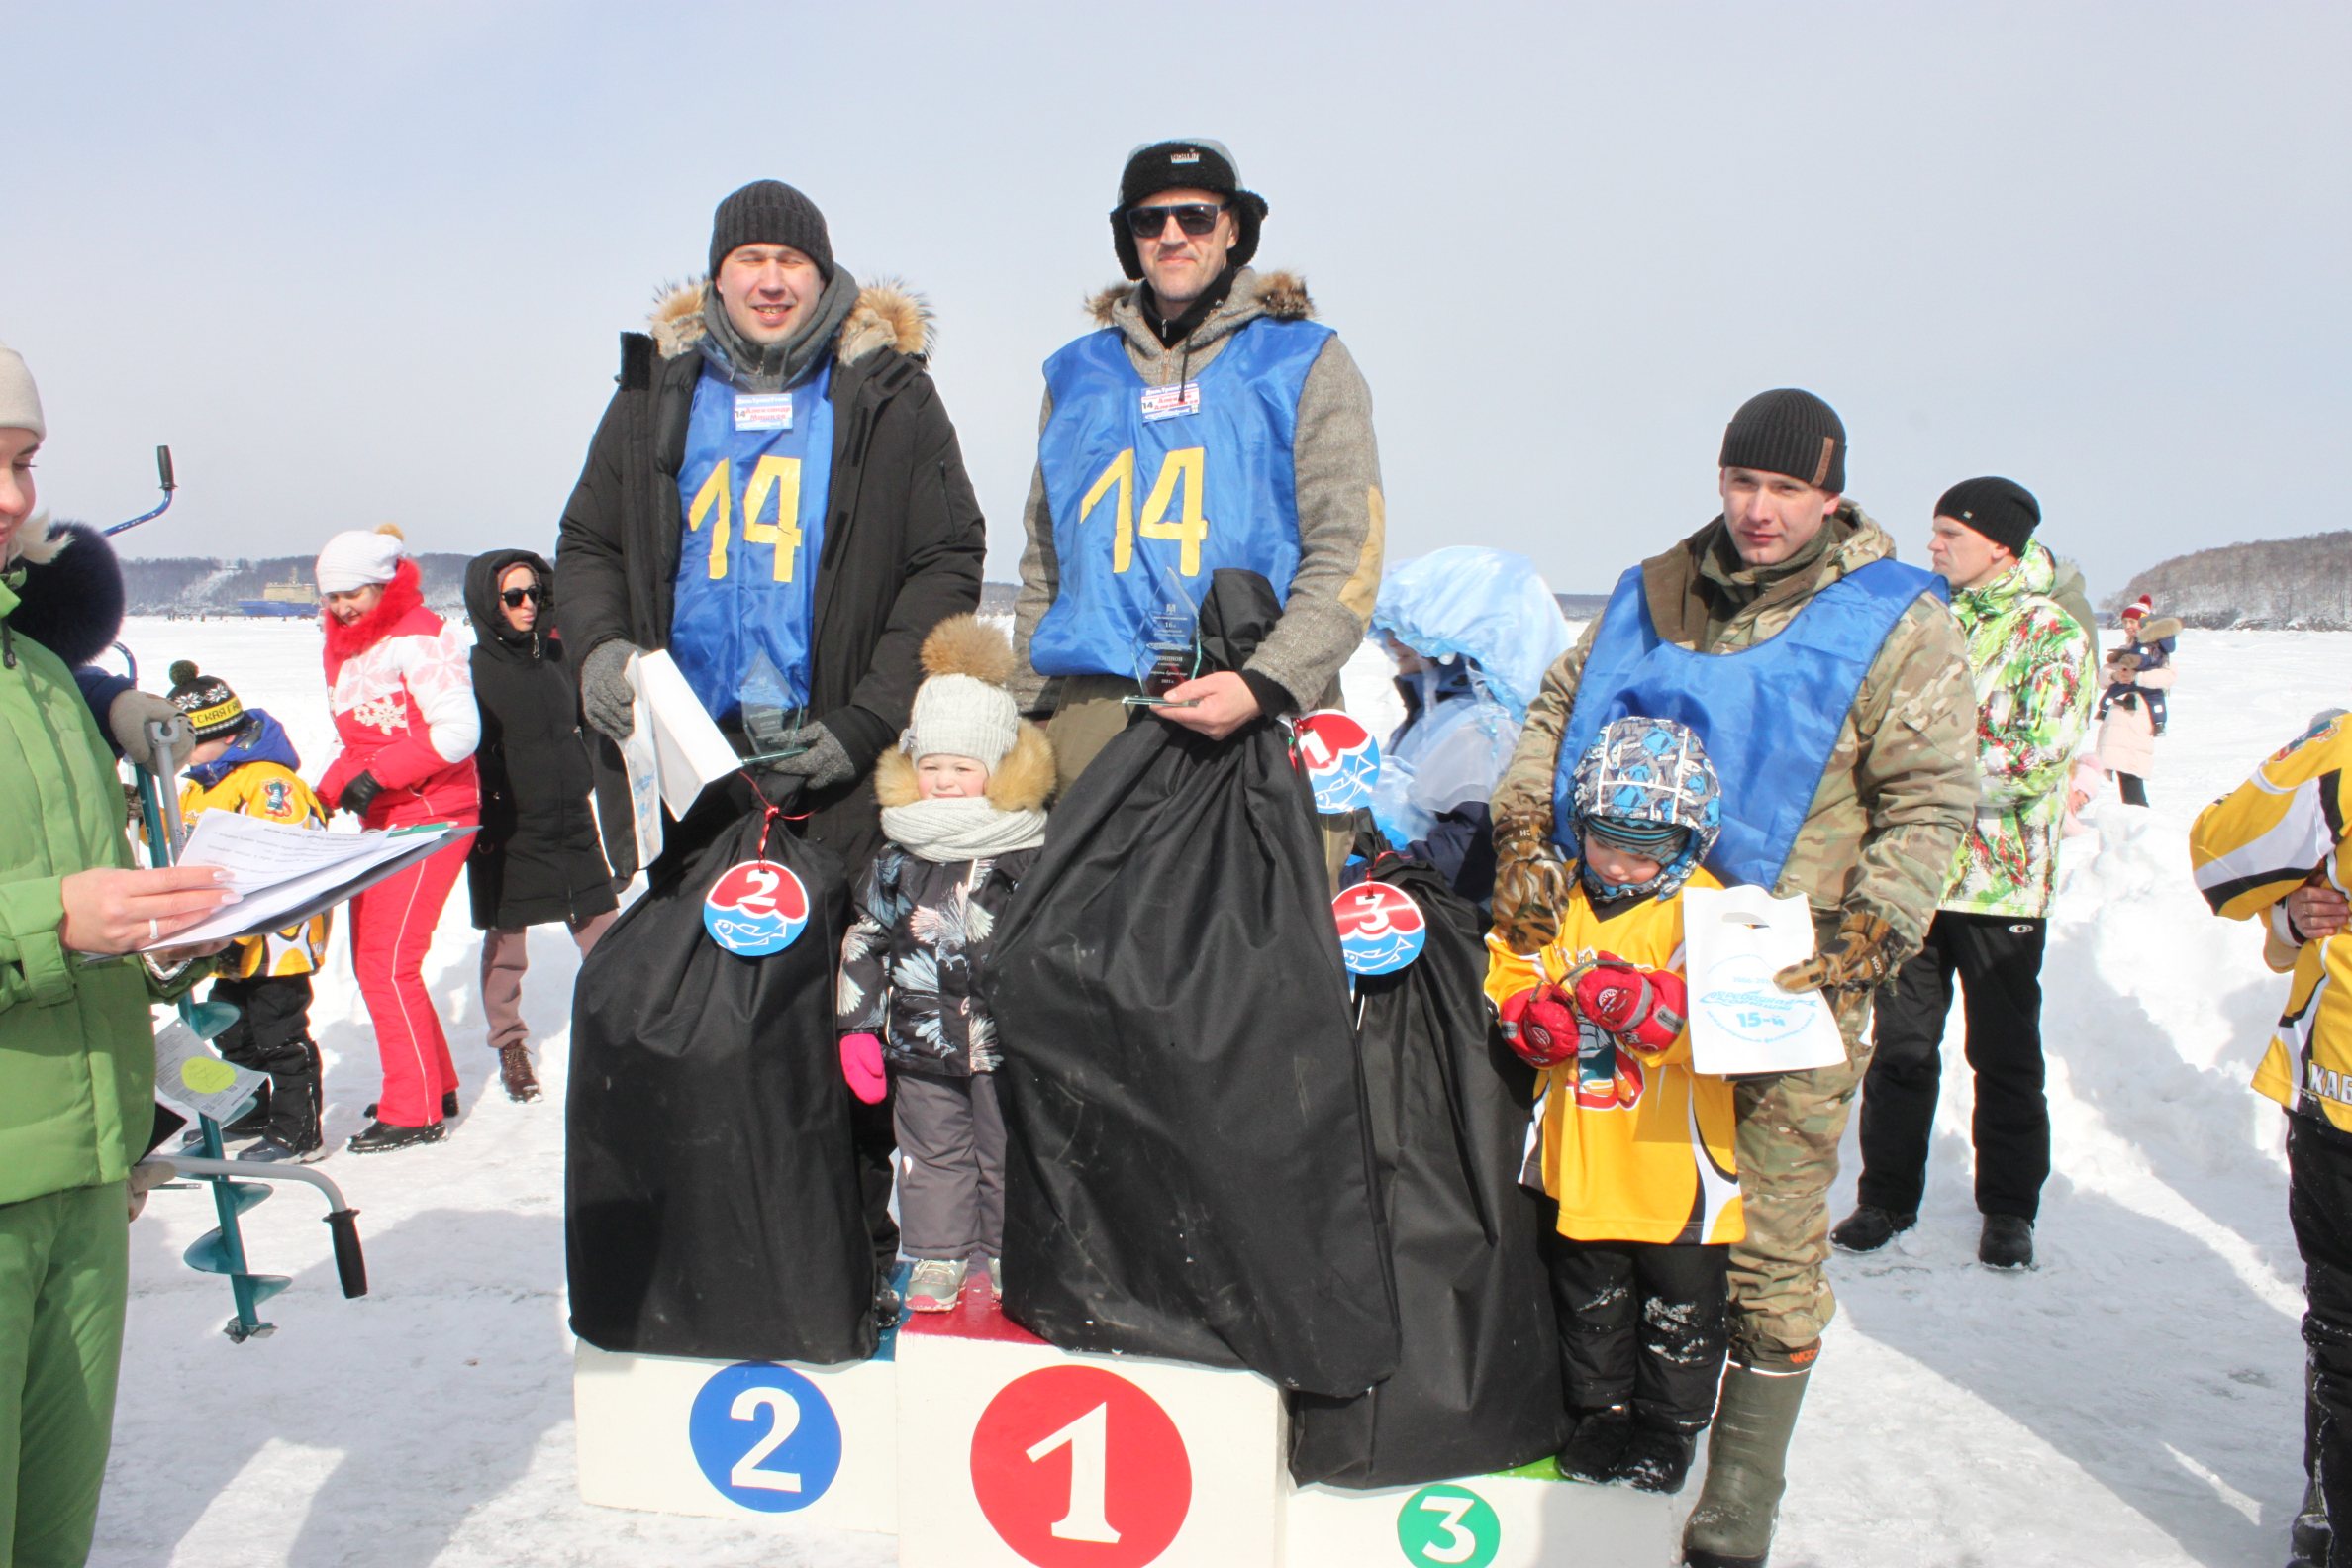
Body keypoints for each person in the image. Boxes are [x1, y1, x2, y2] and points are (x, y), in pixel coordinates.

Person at [1489, 388, 1975, 1568]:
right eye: (1744, 485)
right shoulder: (1650, 595)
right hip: (1610, 948)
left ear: (1831, 496)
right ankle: (1594, 1435)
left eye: (1788, 492)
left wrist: (1876, 930)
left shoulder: (1896, 620)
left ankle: (1734, 1504)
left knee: (1764, 1232)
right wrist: (1521, 842)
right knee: (1592, 1203)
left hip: (1781, 974)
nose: (1761, 514)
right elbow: (1556, 721)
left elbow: (1931, 798)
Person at [556, 178, 987, 1320]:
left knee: (839, 1027)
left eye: (788, 261)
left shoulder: (888, 396)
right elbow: (589, 540)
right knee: (696, 1025)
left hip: (835, 773)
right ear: (715, 279)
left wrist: (858, 728)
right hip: (695, 773)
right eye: (746, 259)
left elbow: (946, 560)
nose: (769, 279)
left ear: (824, 275)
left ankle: (845, 1260)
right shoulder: (656, 396)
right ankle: (711, 1254)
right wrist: (602, 657)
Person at [1, 342, 235, 1568]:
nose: (12, 498)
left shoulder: (42, 677)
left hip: (86, 1181)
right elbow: (53, 911)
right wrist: (52, 924)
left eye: (25, 464)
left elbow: (98, 897)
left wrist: (182, 918)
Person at [1011, 138, 1384, 794]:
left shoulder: (1305, 360)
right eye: (1149, 221)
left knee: (1259, 899)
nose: (1172, 235)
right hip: (1098, 710)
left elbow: (1348, 550)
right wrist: (1028, 708)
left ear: (1233, 227)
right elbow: (1047, 558)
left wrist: (1268, 680)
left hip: (1255, 704)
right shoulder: (1075, 376)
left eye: (1196, 216)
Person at [1834, 479, 2092, 1270]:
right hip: (1917, 876)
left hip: (2001, 883)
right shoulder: (1926, 619)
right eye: (1934, 531)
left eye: (1950, 533)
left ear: (2000, 545)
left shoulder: (2051, 634)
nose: (1935, 545)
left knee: (2005, 1052)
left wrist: (1920, 775)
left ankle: (2009, 1209)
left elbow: (2035, 762)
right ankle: (1885, 1197)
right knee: (1901, 1048)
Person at [1486, 717, 1735, 1497]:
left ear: (1688, 845)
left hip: (1675, 1166)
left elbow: (1739, 1020)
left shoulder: (1711, 909)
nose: (1620, 863)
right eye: (1604, 840)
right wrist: (1528, 1013)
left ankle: (1668, 1429)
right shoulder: (1557, 894)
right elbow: (1508, 961)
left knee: (1681, 1308)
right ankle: (1600, 1412)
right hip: (1585, 1155)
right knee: (1590, 1295)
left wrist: (1657, 1011)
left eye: (1644, 849)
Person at [835, 616, 1051, 1313]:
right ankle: (935, 1256)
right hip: (919, 1046)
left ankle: (1005, 1250)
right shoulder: (898, 855)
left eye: (963, 768)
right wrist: (857, 1027)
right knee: (930, 1159)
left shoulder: (1025, 853)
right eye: (932, 767)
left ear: (997, 770)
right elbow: (867, 938)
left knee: (1005, 1153)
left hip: (1002, 1046)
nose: (947, 782)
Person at [2191, 712, 2352, 1568]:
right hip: (2339, 1094)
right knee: (2342, 1326)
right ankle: (2327, 1500)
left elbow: (2215, 853)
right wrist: (2294, 915)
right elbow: (2225, 862)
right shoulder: (2344, 755)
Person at [314, 524, 482, 1154]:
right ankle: (429, 1083)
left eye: (351, 594)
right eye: (330, 597)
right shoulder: (349, 644)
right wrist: (325, 792)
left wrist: (376, 777)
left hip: (433, 812)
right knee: (377, 960)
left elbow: (457, 732)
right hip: (385, 817)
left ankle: (412, 1111)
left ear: (385, 583)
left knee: (386, 964)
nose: (340, 608)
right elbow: (357, 740)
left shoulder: (420, 636)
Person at [462, 549, 617, 1103]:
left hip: (570, 816)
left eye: (534, 594)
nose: (527, 606)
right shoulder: (472, 671)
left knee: (603, 931)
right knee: (507, 945)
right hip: (509, 826)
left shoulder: (559, 656)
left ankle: (623, 1031)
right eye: (513, 597)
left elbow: (592, 724)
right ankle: (509, 1044)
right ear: (489, 601)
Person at [164, 661, 333, 1162]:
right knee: (233, 1029)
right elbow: (180, 838)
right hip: (225, 937)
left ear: (220, 734)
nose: (180, 758)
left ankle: (299, 1131)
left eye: (187, 745)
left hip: (275, 941)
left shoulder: (266, 782)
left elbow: (279, 854)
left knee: (278, 1032)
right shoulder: (201, 783)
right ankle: (251, 1110)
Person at [1370, 545, 1572, 904]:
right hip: (1403, 915)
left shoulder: (1479, 731)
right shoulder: (1434, 716)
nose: (1391, 640)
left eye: (1410, 630)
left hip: (1429, 929)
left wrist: (1360, 880)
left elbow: (1465, 856)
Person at [2095, 595, 2178, 806]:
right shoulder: (2126, 650)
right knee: (2121, 765)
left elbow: (2167, 677)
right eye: (2125, 623)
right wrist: (2116, 676)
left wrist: (2137, 677)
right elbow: (2103, 676)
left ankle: (2138, 814)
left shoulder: (2157, 651)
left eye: (2133, 622)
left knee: (2130, 765)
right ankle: (2132, 813)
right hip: (2119, 714)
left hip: (2137, 713)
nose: (2129, 626)